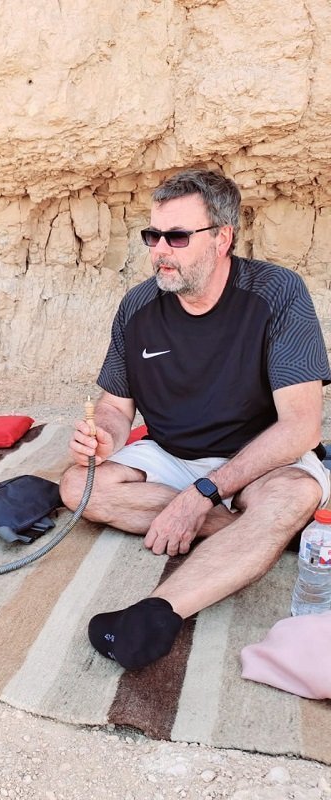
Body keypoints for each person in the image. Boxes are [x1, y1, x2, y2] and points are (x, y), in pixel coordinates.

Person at [60, 169, 330, 671]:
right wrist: (103, 439)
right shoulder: (138, 305)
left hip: (259, 458)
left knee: (292, 495)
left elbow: (301, 428)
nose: (160, 250)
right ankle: (257, 534)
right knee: (78, 486)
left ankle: (158, 613)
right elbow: (116, 407)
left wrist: (202, 493)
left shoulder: (277, 293)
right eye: (153, 235)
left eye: (177, 237)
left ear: (222, 238)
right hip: (172, 453)